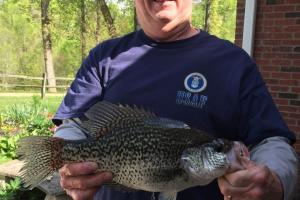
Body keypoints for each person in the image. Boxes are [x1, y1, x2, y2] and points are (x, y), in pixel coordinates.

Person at [52, 0, 298, 200]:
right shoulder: (104, 57)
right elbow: (72, 124)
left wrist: (274, 181)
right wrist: (70, 163)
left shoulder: (233, 62)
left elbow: (271, 140)